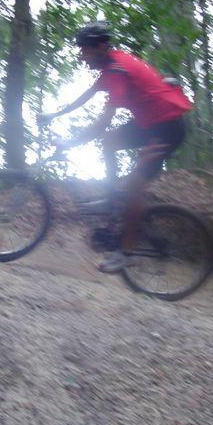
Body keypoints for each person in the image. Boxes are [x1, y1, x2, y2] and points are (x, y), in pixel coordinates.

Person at [38, 21, 193, 273]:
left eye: (85, 50)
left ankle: (126, 253)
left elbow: (101, 124)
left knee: (134, 187)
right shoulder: (112, 66)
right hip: (149, 123)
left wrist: (69, 143)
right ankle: (111, 198)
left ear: (100, 47)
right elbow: (87, 95)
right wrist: (54, 115)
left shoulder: (118, 71)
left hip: (166, 129)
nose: (81, 55)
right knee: (109, 141)